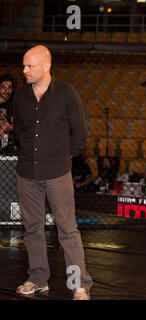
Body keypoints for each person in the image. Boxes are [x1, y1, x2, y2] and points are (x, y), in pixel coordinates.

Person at [11, 45, 93, 300]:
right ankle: (38, 279)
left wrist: (61, 157)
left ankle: (79, 284)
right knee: (32, 228)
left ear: (46, 66)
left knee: (67, 229)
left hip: (57, 173)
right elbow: (19, 132)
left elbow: (80, 134)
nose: (24, 70)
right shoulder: (20, 97)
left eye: (30, 66)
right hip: (27, 173)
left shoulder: (67, 94)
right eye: (24, 65)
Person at [0, 74, 17, 149]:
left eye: (9, 87)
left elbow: (16, 126)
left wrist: (7, 127)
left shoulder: (13, 105)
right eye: (4, 87)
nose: (7, 90)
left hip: (6, 144)